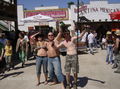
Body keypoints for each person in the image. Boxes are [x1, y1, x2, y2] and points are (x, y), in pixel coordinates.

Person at [46, 24, 64, 89]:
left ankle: (62, 85)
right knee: (50, 72)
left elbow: (60, 32)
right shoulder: (47, 42)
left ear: (53, 36)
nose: (50, 36)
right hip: (49, 59)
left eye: (51, 35)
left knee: (58, 72)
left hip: (56, 58)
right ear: (47, 36)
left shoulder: (56, 40)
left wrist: (59, 25)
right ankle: (55, 81)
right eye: (49, 35)